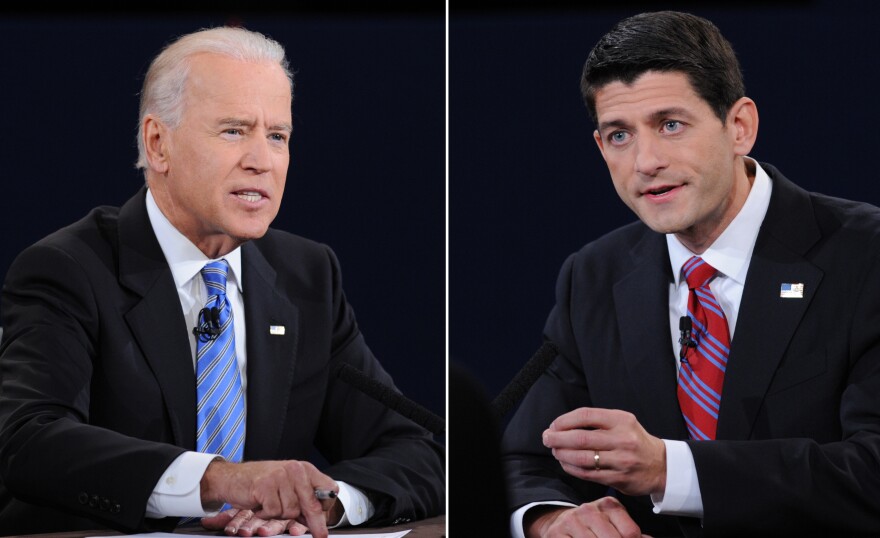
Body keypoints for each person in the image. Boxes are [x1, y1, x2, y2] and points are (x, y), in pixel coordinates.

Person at [0, 26, 444, 537]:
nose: (262, 161)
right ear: (158, 143)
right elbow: (29, 440)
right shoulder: (69, 269)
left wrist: (324, 502)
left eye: (277, 136)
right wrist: (220, 480)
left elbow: (417, 451)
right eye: (234, 131)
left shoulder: (307, 276)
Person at [501, 10, 880, 538]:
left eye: (670, 125)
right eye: (619, 135)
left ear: (739, 127)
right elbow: (521, 460)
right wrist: (550, 518)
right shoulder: (593, 275)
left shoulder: (864, 255)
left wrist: (670, 470)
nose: (645, 161)